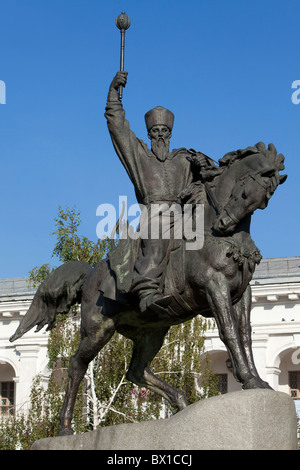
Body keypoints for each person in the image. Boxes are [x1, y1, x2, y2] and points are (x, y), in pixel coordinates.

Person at [105, 71, 207, 313]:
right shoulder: (139, 156)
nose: (160, 135)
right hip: (155, 215)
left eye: (164, 131)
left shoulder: (184, 158)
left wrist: (203, 167)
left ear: (170, 134)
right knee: (157, 236)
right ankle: (147, 292)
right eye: (155, 131)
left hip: (185, 215)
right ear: (149, 134)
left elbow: (206, 183)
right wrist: (113, 94)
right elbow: (117, 126)